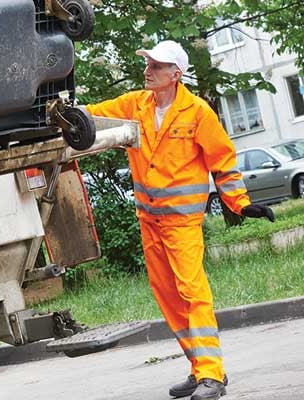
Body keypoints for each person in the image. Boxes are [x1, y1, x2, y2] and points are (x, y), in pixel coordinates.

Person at [85, 40, 274, 400]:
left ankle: (212, 376)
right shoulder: (134, 105)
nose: (148, 70)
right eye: (147, 64)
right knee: (169, 297)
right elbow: (91, 115)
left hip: (182, 225)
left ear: (176, 74)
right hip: (150, 222)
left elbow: (222, 159)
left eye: (156, 66)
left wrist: (240, 203)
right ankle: (199, 367)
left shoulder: (197, 112)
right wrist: (58, 112)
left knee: (192, 292)